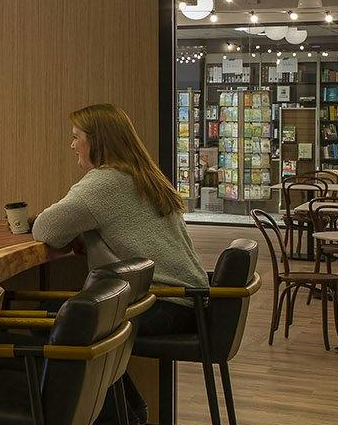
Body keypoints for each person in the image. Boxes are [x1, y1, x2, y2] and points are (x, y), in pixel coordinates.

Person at [31, 102, 208, 335]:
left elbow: (45, 230)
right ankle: (113, 373)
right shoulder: (143, 175)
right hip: (190, 302)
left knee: (44, 322)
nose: (72, 144)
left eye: (76, 137)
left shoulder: (105, 181)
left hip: (167, 303)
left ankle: (101, 373)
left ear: (96, 141)